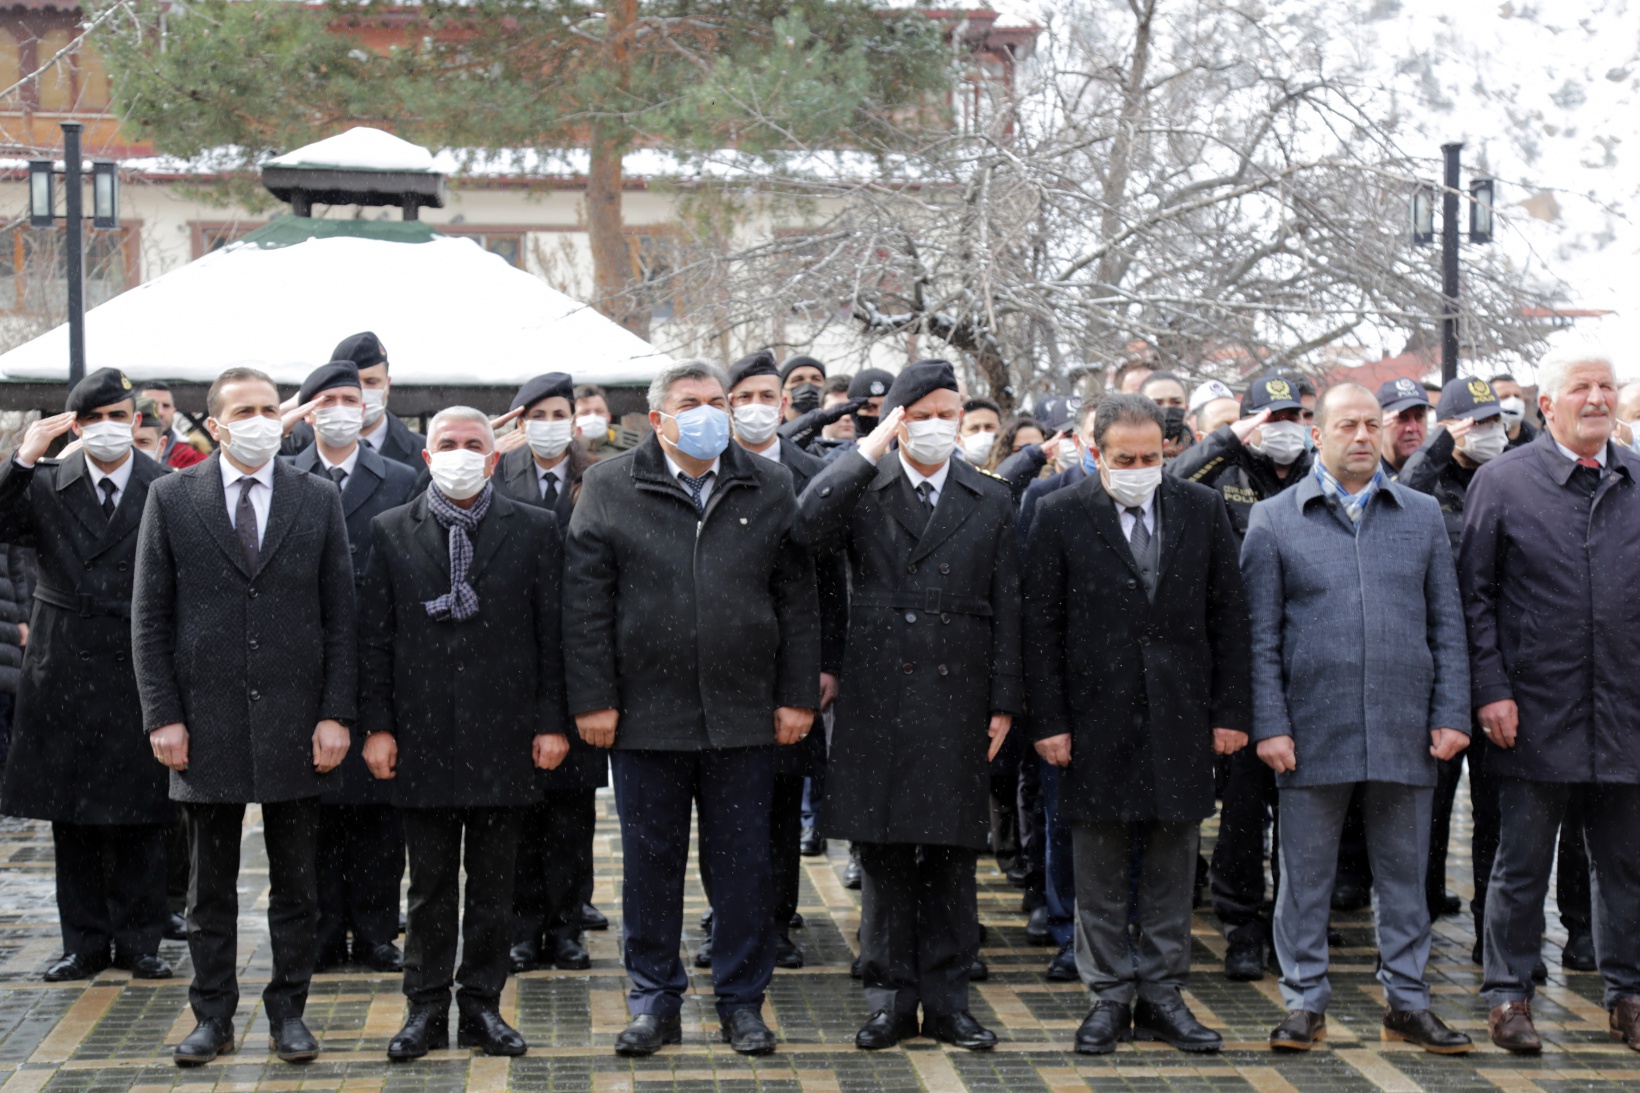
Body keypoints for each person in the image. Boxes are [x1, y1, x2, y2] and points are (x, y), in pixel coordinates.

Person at [563, 359, 820, 1057]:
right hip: (647, 715)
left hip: (744, 713)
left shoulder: (768, 482)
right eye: (692, 402)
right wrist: (594, 699)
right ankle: (653, 998)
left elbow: (796, 597)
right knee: (650, 865)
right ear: (658, 418)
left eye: (717, 401)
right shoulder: (612, 486)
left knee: (743, 866)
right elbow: (585, 603)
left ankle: (742, 1000)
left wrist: (797, 694)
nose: (709, 412)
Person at [795, 359, 1023, 1053]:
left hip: (961, 691)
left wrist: (1006, 700)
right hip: (879, 688)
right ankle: (891, 996)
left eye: (946, 412)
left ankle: (949, 1000)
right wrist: (868, 447)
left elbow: (1011, 604)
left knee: (953, 853)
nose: (935, 425)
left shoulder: (991, 496)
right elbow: (806, 529)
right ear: (895, 419)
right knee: (888, 852)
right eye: (918, 412)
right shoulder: (864, 485)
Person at [133, 366, 357, 1067]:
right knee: (208, 889)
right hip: (205, 719)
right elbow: (149, 616)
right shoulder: (172, 497)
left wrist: (335, 714)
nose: (261, 419)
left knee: (297, 883)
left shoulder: (315, 498)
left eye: (269, 406)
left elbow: (341, 616)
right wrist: (162, 714)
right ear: (217, 423)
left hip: (297, 717)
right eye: (245, 410)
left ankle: (289, 1011)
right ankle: (212, 1015)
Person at [1242, 382, 1472, 1055]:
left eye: (1373, 424)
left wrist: (1452, 710)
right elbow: (1260, 638)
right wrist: (1270, 722)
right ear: (1319, 434)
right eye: (1348, 424)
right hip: (1312, 730)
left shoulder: (1422, 515)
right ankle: (1303, 1002)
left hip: (1405, 726)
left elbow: (1447, 625)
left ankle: (1408, 1000)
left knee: (1407, 878)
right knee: (1304, 878)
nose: (1365, 436)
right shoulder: (1276, 519)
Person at [1025, 393, 1251, 1054]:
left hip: (1181, 715)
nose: (1140, 467)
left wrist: (1231, 712)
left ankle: (1161, 992)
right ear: (1096, 454)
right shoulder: (1059, 513)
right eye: (1125, 458)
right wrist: (1051, 720)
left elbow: (1228, 616)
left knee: (1171, 865)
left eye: (1152, 456)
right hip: (1093, 719)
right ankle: (1107, 994)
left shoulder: (1201, 509)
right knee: (1096, 867)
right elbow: (1040, 627)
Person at [357, 406, 568, 1059]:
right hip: (421, 735)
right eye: (447, 443)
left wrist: (551, 721)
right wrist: (377, 728)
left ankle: (482, 1005)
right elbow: (374, 639)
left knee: (495, 884)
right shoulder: (391, 529)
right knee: (428, 885)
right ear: (426, 456)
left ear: (494, 455)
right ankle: (424, 1009)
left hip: (504, 734)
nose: (460, 453)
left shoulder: (532, 529)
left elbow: (552, 633)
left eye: (473, 444)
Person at [1461, 342, 1640, 1054]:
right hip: (1534, 708)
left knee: (1625, 863)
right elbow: (1473, 597)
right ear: (1548, 404)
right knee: (1522, 861)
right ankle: (1509, 995)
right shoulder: (1504, 483)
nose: (1597, 398)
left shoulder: (1636, 478)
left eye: (1606, 385)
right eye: (1581, 388)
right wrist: (1491, 690)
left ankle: (1627, 992)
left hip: (1624, 710)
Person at [0, 368, 174, 982]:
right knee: (70, 815)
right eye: (94, 418)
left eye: (118, 416)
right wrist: (23, 459)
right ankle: (83, 942)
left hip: (136, 658)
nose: (108, 428)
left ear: (136, 421)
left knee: (143, 812)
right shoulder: (48, 483)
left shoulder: (164, 485)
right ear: (75, 427)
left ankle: (140, 940)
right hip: (64, 659)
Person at [1169, 370, 1315, 979]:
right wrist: (1229, 438)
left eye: (1296, 417)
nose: (1286, 430)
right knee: (1244, 808)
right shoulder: (1222, 475)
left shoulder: (1318, 474)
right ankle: (1241, 924)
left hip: (1308, 664)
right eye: (1273, 418)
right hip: (1242, 664)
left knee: (1307, 807)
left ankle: (1299, 918)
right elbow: (1169, 484)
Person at [285, 361, 420, 974]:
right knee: (312, 808)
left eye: (354, 395)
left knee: (376, 806)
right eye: (329, 399)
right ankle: (318, 931)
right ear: (307, 409)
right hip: (304, 658)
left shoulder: (399, 477)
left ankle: (372, 930)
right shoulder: (288, 476)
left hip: (378, 652)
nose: (344, 407)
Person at [491, 373, 606, 975]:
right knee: (520, 808)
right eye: (536, 413)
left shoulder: (601, 477)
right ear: (517, 421)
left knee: (571, 810)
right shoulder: (496, 474)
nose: (551, 422)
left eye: (559, 411)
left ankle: (566, 926)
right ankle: (521, 924)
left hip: (581, 655)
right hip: (515, 661)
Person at [140, 382, 210, 468]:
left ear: (174, 411)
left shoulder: (195, 458)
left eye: (166, 406)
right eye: (152, 406)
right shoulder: (121, 449)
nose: (160, 412)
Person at [1375, 378, 1430, 479]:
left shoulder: (1439, 477)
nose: (1412, 428)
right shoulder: (1366, 479)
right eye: (1402, 418)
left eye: (1419, 416)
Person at [573, 384, 636, 461]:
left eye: (599, 411)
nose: (593, 417)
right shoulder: (564, 448)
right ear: (573, 418)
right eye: (585, 413)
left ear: (609, 417)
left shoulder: (631, 445)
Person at [779, 355, 827, 423]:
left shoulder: (838, 431)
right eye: (798, 379)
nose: (808, 386)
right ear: (782, 391)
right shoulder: (770, 432)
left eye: (816, 379)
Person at [958, 398, 1004, 465]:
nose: (983, 434)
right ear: (959, 438)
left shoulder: (1015, 470)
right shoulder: (948, 472)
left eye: (989, 427)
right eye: (974, 428)